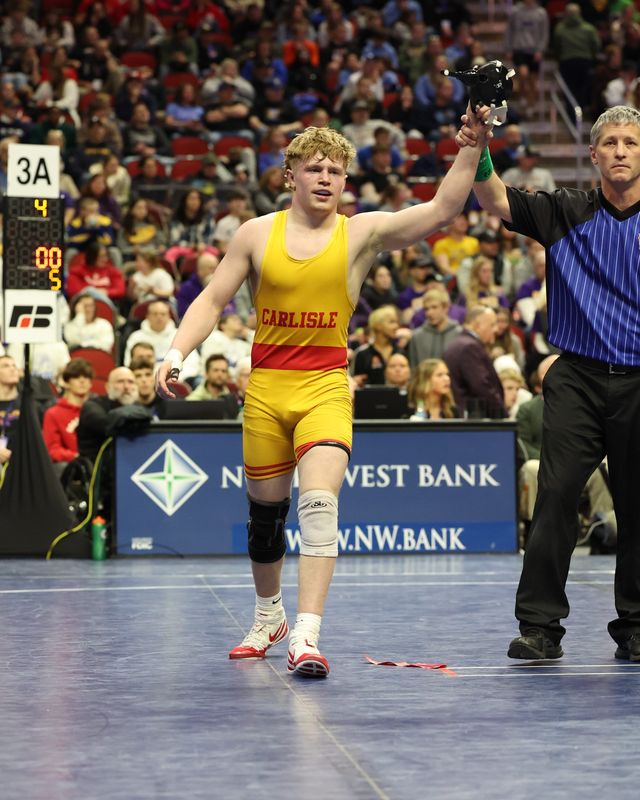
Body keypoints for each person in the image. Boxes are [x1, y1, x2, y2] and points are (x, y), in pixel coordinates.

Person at [156, 115, 492, 678]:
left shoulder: (360, 233)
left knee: (319, 507)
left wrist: (473, 144)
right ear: (290, 175)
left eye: (335, 170)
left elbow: (440, 211)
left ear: (345, 182)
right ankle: (270, 617)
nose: (325, 177)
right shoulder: (255, 233)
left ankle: (306, 636)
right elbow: (213, 301)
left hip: (325, 387)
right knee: (266, 521)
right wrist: (175, 354)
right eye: (314, 168)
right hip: (266, 389)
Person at [458, 102, 640, 662]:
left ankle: (636, 626)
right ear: (592, 155)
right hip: (578, 379)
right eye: (609, 143)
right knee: (556, 496)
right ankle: (539, 627)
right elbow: (491, 197)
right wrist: (481, 138)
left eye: (630, 143)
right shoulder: (565, 210)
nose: (620, 152)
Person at [443, 305, 505, 419]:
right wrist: (501, 412)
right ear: (477, 325)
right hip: (474, 417)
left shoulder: (458, 343)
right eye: (492, 325)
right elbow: (481, 386)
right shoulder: (470, 347)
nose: (496, 329)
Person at [42, 358, 94, 470]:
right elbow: (52, 449)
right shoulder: (53, 413)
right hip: (71, 468)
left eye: (86, 377)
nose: (82, 381)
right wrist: (77, 457)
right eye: (76, 377)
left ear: (91, 383)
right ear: (66, 383)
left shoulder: (97, 411)